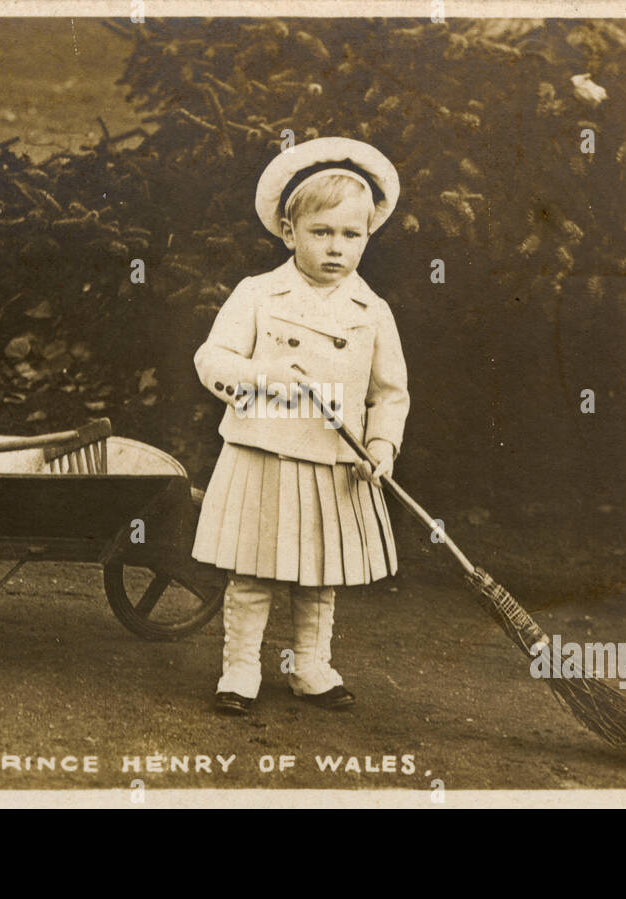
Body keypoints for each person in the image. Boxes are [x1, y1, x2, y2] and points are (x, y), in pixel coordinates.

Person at [191, 137, 410, 715]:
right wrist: (263, 376)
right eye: (321, 232)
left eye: (350, 235)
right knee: (254, 569)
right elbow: (211, 360)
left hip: (335, 462)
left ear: (367, 236)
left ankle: (310, 666)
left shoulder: (372, 310)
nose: (336, 248)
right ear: (290, 233)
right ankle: (240, 670)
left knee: (318, 574)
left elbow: (391, 393)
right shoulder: (259, 294)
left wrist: (382, 445)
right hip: (263, 452)